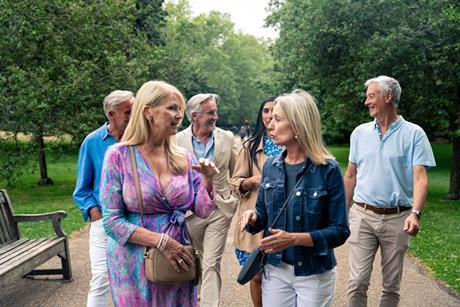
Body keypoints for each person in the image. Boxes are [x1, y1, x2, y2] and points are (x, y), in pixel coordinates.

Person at [99, 81, 218, 306]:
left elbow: (202, 210)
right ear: (148, 112)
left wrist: (208, 181)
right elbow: (112, 222)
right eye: (172, 108)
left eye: (180, 109)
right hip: (133, 263)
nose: (179, 115)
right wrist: (162, 242)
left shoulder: (184, 157)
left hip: (176, 261)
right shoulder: (118, 156)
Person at [241, 89, 350, 307]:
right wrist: (253, 218)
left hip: (314, 273)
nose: (269, 125)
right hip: (275, 269)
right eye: (270, 119)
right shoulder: (270, 166)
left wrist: (295, 239)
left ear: (299, 124)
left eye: (277, 119)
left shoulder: (328, 169)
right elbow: (263, 216)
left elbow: (340, 231)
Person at [345, 76, 436, 307]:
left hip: (398, 217)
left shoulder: (415, 134)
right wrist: (341, 214)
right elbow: (350, 175)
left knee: (391, 286)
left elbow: (420, 178)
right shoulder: (359, 133)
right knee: (356, 282)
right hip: (363, 214)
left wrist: (415, 213)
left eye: (371, 96)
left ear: (388, 97)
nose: (366, 101)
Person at [176, 93, 238, 307]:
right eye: (210, 113)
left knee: (211, 262)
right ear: (194, 116)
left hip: (220, 208)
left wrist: (235, 195)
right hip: (190, 211)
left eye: (215, 112)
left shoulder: (227, 138)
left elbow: (237, 172)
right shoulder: (176, 140)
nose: (215, 116)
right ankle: (196, 299)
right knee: (196, 260)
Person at [73, 90, 134, 307]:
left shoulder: (138, 140)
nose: (134, 116)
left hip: (134, 222)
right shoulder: (92, 142)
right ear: (111, 114)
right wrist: (95, 213)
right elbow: (81, 189)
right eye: (129, 112)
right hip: (104, 221)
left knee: (133, 280)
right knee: (101, 278)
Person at [229, 96, 282, 307]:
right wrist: (252, 181)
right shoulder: (250, 147)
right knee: (257, 276)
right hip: (254, 220)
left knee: (281, 277)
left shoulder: (291, 145)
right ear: (261, 116)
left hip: (282, 219)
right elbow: (235, 183)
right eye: (266, 111)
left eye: (274, 110)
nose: (270, 115)